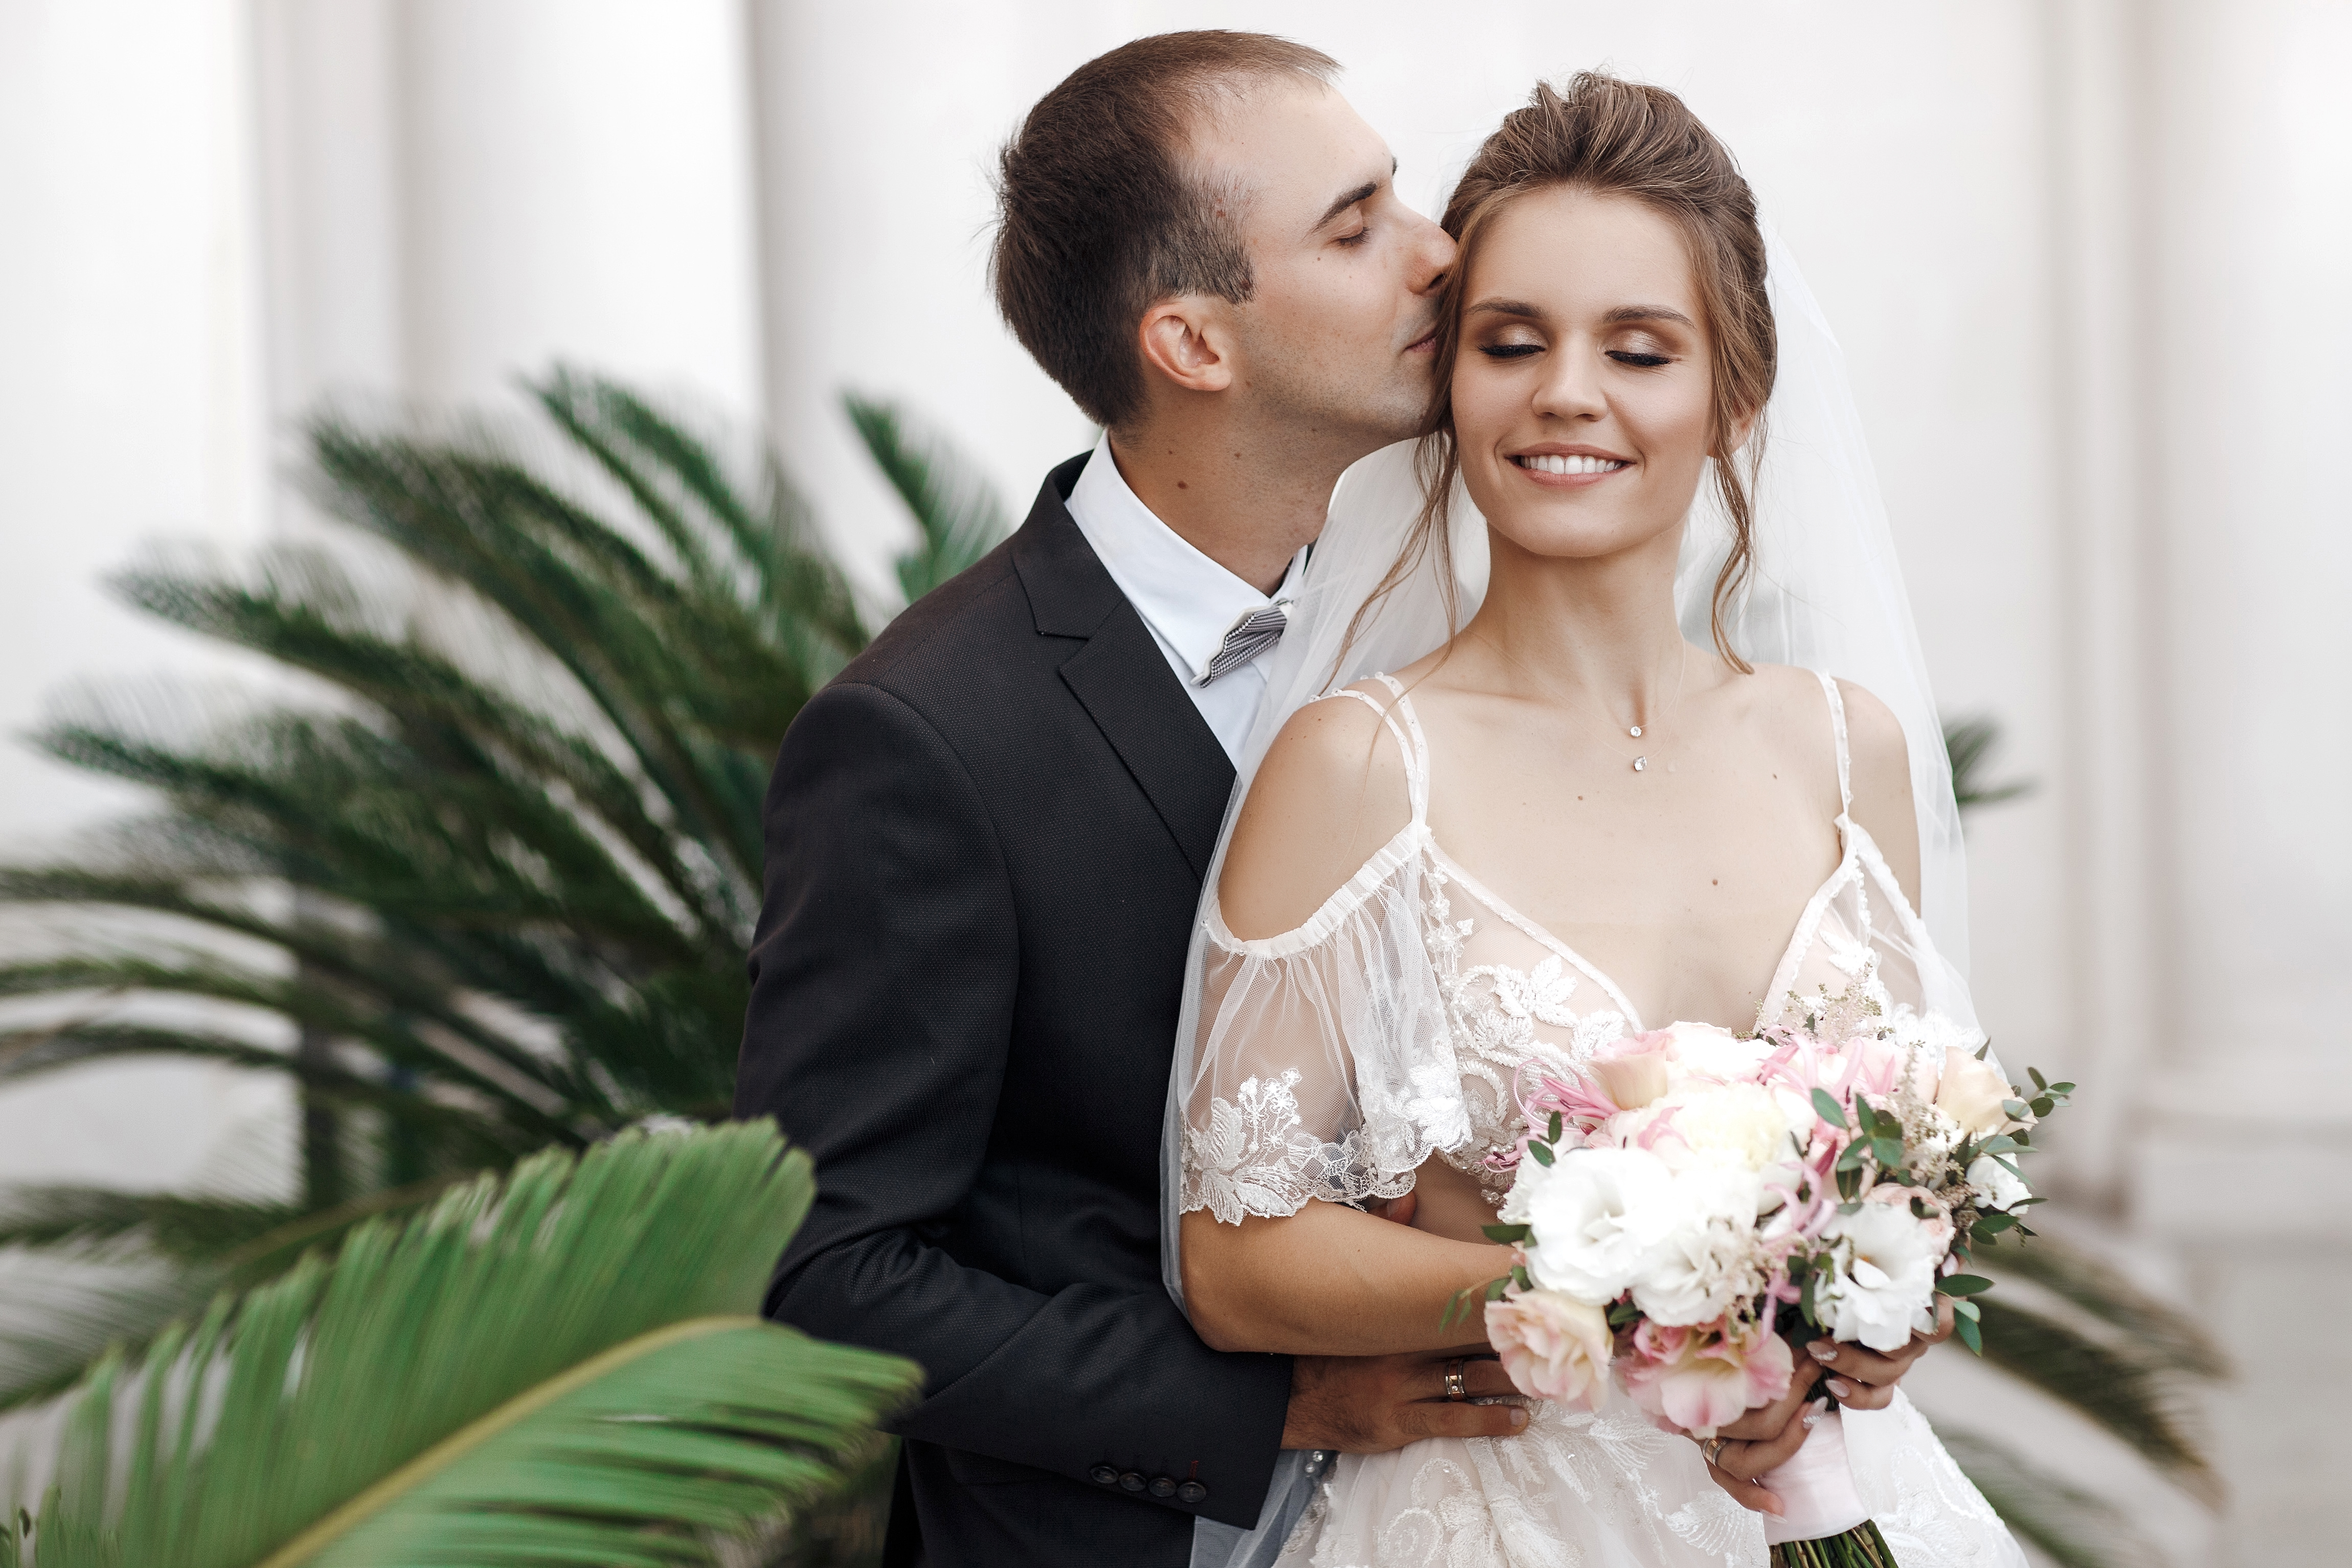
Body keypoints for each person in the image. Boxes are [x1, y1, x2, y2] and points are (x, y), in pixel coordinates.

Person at [1168, 75, 2027, 1566]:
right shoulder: (1362, 768)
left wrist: (1874, 1309)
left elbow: (1916, 1173)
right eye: (1512, 343)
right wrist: (1611, 1283)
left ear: (1735, 395)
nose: (1568, 391)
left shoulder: (1846, 747)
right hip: (1503, 1517)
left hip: (1850, 1496)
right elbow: (1235, 1257)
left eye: (1639, 349)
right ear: (1454, 386)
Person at [734, 32, 1529, 1568]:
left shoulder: (1459, 628)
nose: (1443, 255)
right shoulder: (925, 735)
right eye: (1356, 227)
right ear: (1192, 343)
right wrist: (1276, 1407)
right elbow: (821, 1268)